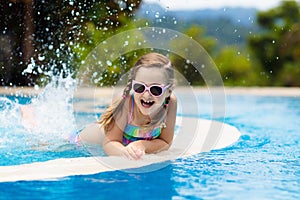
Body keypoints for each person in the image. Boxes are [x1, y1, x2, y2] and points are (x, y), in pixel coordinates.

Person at [22, 52, 177, 160]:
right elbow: (109, 143)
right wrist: (125, 152)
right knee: (45, 144)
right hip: (83, 140)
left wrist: (142, 145)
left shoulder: (170, 103)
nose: (146, 95)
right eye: (140, 87)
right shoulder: (125, 103)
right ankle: (29, 117)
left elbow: (165, 142)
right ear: (132, 85)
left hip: (118, 141)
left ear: (168, 90)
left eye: (156, 89)